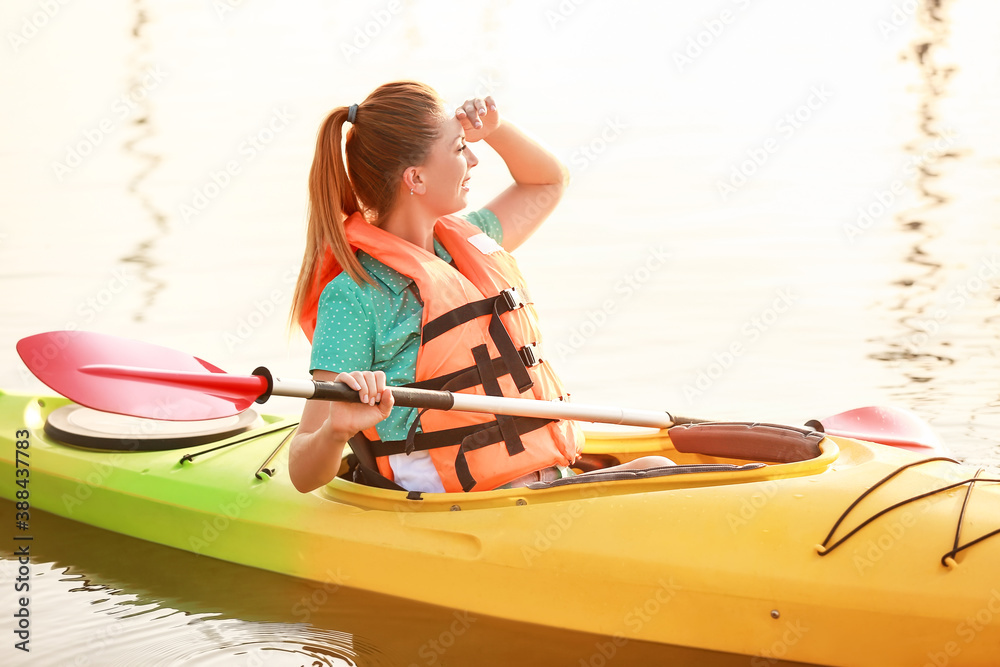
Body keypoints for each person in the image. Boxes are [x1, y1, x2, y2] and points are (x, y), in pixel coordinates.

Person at [288, 81, 669, 494]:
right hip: (471, 507)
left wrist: (496, 128)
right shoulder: (355, 297)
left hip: (546, 484)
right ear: (415, 177)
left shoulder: (472, 242)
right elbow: (303, 473)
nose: (473, 158)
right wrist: (334, 432)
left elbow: (547, 183)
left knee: (660, 468)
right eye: (458, 148)